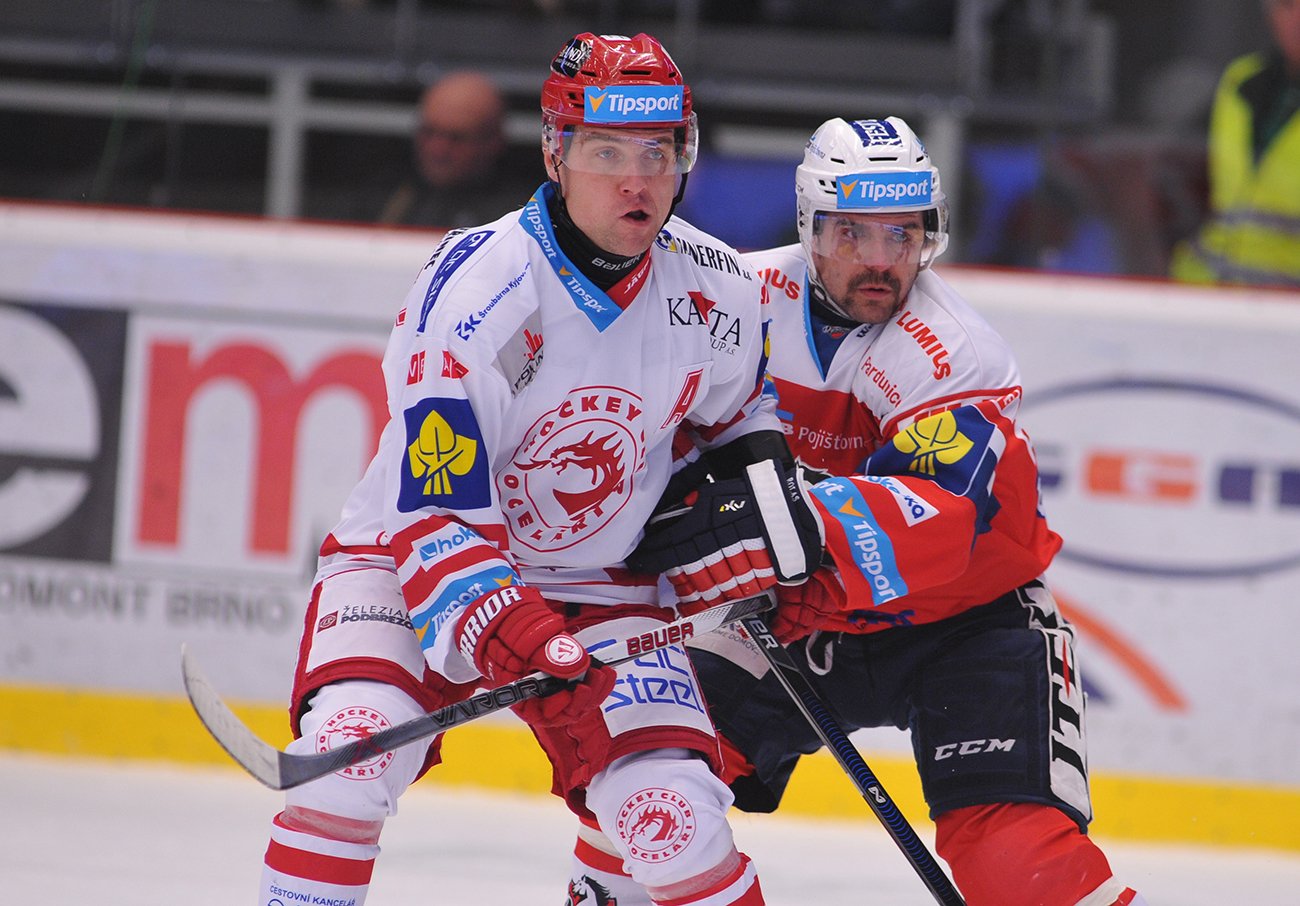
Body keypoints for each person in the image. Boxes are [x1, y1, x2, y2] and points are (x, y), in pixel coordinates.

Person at [258, 32, 824, 906]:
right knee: (347, 764)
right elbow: (435, 513)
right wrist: (518, 629)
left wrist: (764, 527)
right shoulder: (475, 289)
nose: (637, 181)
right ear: (555, 154)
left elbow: (736, 419)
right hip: (408, 561)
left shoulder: (719, 286)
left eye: (658, 153)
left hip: (602, 578)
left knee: (675, 822)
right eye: (607, 153)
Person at [565, 117, 1146, 906]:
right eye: (852, 234)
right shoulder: (728, 299)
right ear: (810, 228)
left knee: (1018, 865)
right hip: (788, 617)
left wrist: (777, 519)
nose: (879, 260)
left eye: (901, 235)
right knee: (642, 782)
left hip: (966, 621)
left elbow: (941, 513)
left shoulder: (954, 351)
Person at [1169, 0, 1300, 287]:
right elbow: (1184, 171)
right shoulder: (1242, 80)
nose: (1297, 19)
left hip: (1288, 304)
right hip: (1213, 293)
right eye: (1287, 5)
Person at [375, 69, 540, 227]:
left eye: (456, 138)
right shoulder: (384, 195)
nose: (437, 150)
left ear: (493, 142)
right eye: (429, 132)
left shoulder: (522, 218)